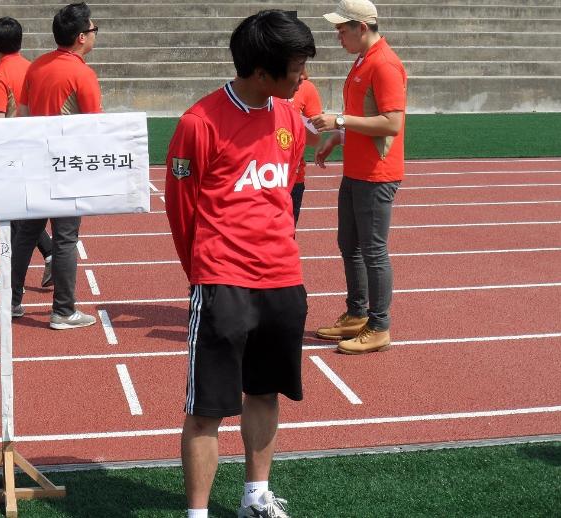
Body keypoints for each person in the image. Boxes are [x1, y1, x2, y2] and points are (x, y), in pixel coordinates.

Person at [165, 10, 314, 518]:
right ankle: (198, 513)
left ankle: (256, 497)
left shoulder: (289, 118)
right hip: (222, 282)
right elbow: (181, 208)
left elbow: (287, 192)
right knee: (207, 409)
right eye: (296, 67)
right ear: (262, 70)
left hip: (283, 279)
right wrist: (205, 270)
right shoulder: (199, 123)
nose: (303, 77)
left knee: (265, 392)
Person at [310, 0, 407, 354]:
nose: (338, 36)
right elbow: (361, 113)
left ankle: (379, 326)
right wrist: (337, 137)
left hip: (376, 174)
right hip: (355, 170)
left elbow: (392, 123)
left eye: (342, 29)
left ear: (361, 28)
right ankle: (356, 314)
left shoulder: (384, 64)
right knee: (349, 244)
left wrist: (339, 121)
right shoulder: (363, 60)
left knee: (373, 251)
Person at [9, 2, 101, 329]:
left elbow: (22, 114)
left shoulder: (36, 66)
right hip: (66, 168)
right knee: (65, 238)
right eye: (93, 30)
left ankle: (11, 301)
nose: (95, 35)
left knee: (26, 234)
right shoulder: (82, 74)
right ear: (81, 37)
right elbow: (94, 128)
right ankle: (63, 310)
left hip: (35, 163)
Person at [0, 16, 53, 296]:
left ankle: (9, 277)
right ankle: (49, 255)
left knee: (11, 216)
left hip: (11, 153)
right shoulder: (34, 68)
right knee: (22, 215)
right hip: (37, 147)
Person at [283, 76, 323, 225]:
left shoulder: (305, 87)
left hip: (293, 179)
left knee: (287, 234)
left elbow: (314, 138)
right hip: (259, 178)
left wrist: (294, 121)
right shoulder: (256, 82)